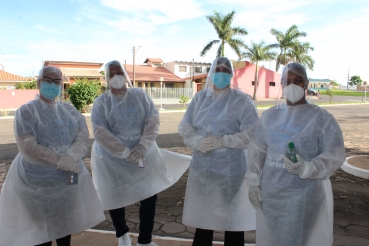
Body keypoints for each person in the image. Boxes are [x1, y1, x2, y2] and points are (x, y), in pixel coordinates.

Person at [0, 66, 105, 246]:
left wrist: (71, 156)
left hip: (66, 177)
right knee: (42, 228)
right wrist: (58, 159)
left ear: (61, 85)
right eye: (48, 80)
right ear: (39, 82)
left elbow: (81, 136)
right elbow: (27, 144)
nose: (52, 85)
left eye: (56, 82)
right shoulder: (27, 111)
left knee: (65, 223)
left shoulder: (70, 112)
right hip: (36, 180)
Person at [90, 60, 189, 246]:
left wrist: (143, 145)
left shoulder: (139, 95)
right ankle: (123, 235)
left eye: (119, 71)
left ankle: (145, 240)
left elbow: (152, 118)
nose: (116, 76)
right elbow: (100, 131)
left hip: (142, 155)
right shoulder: (101, 102)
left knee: (149, 194)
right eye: (111, 74)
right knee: (116, 197)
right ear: (106, 78)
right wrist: (123, 151)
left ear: (125, 73)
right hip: (112, 159)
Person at [246, 62, 345, 246]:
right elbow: (257, 149)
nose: (292, 86)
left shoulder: (321, 118)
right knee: (270, 240)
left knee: (295, 241)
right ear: (282, 85)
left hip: (302, 196)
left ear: (306, 84)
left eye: (298, 81)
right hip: (271, 194)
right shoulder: (270, 116)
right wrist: (253, 181)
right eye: (287, 81)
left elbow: (334, 155)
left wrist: (307, 167)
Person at [178, 57, 259, 246]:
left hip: (232, 172)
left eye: (225, 69)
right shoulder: (199, 99)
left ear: (231, 74)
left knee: (232, 222)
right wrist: (196, 141)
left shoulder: (242, 101)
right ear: (211, 72)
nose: (221, 73)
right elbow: (185, 127)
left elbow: (253, 133)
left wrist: (224, 141)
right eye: (218, 69)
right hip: (203, 171)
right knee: (204, 221)